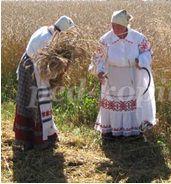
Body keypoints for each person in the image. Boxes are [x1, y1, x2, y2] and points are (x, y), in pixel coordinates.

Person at [89, 10, 156, 138]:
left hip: (133, 75)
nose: (114, 29)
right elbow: (97, 58)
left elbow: (149, 53)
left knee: (133, 102)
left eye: (118, 26)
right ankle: (112, 130)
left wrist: (140, 60)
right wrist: (100, 71)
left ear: (125, 26)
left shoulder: (138, 38)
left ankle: (132, 131)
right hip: (112, 76)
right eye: (112, 25)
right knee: (113, 101)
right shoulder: (105, 40)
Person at [14, 16, 75, 150]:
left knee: (28, 102)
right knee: (37, 103)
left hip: (27, 66)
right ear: (62, 33)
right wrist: (57, 73)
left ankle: (28, 137)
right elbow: (45, 69)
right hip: (33, 72)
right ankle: (37, 139)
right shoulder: (48, 41)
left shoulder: (44, 29)